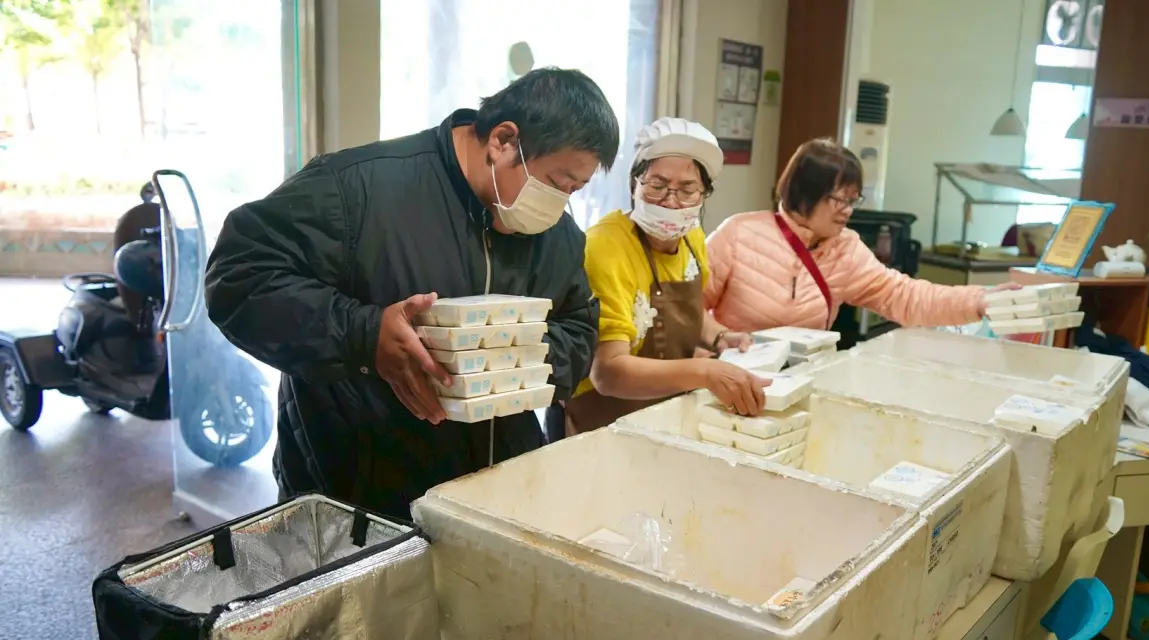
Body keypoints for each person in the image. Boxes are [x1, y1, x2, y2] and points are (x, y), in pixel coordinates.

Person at [204, 68, 615, 519]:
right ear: (503, 141)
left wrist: (509, 361)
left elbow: (578, 325)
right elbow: (239, 276)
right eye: (556, 183)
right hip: (360, 501)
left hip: (496, 498)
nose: (561, 203)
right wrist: (365, 336)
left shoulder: (556, 234)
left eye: (576, 189)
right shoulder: (359, 188)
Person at [546, 117, 768, 440]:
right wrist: (704, 371)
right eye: (657, 186)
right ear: (635, 184)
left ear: (704, 193)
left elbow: (685, 314)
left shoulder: (692, 239)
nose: (671, 201)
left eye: (688, 189)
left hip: (661, 415)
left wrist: (721, 338)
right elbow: (608, 372)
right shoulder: (606, 247)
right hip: (601, 423)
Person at [705, 138, 1017, 333]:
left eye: (854, 199)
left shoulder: (846, 249)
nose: (848, 210)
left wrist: (981, 299)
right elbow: (686, 309)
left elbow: (904, 296)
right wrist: (719, 345)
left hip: (797, 384)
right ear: (806, 193)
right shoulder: (739, 233)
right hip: (726, 381)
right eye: (840, 199)